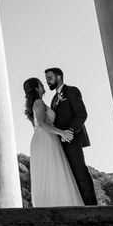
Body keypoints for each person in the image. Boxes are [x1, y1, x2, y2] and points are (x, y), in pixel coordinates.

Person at [23, 77, 84, 207]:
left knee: (52, 173)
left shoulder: (38, 103)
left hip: (44, 138)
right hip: (45, 138)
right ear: (37, 87)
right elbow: (41, 124)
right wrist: (62, 132)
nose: (44, 85)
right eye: (41, 83)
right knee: (53, 171)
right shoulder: (38, 102)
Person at [45, 67, 98, 205]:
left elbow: (82, 114)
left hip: (72, 139)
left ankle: (92, 207)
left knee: (80, 172)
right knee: (71, 176)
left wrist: (70, 132)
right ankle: (79, 206)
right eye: (46, 80)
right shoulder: (54, 99)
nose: (47, 82)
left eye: (49, 78)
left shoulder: (71, 91)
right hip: (60, 143)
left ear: (58, 77)